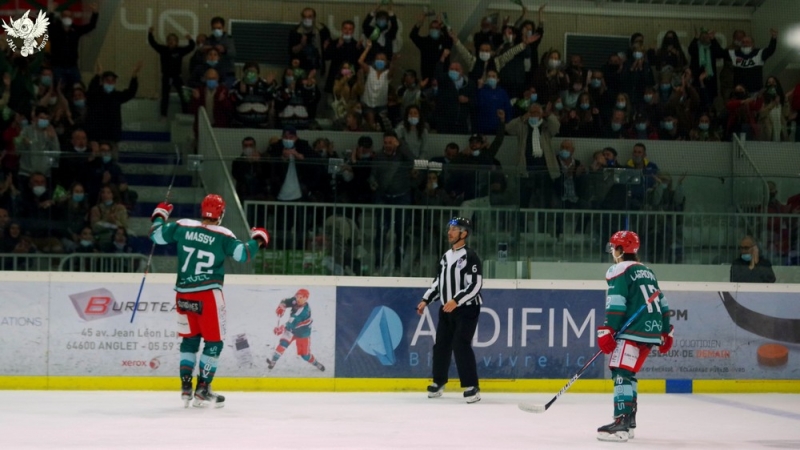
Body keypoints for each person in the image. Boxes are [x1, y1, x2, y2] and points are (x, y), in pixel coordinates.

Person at [149, 194, 270, 408]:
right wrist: (259, 238)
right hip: (208, 295)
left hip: (183, 294)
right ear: (221, 214)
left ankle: (186, 387)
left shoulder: (183, 226)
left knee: (190, 340)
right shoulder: (223, 234)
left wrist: (160, 214)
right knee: (213, 343)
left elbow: (156, 236)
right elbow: (243, 255)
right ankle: (203, 388)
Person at [596, 230, 673, 442]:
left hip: (632, 331)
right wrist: (666, 330)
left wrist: (608, 329)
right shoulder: (647, 271)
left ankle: (620, 424)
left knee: (621, 372)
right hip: (651, 332)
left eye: (614, 247)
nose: (612, 251)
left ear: (621, 250)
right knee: (629, 373)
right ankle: (629, 423)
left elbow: (617, 302)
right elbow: (662, 301)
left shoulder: (618, 269)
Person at [416, 217, 483, 404]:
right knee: (441, 345)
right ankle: (439, 382)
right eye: (449, 229)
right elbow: (439, 282)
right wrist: (425, 299)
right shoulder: (446, 256)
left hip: (467, 309)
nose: (449, 232)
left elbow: (475, 285)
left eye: (454, 229)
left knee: (460, 344)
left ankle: (472, 386)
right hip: (447, 309)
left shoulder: (471, 256)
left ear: (464, 234)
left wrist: (456, 300)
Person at [266, 288, 326, 371]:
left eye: (301, 297)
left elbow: (292, 323)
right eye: (297, 296)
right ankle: (273, 361)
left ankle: (316, 363)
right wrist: (282, 306)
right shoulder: (296, 300)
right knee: (283, 344)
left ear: (306, 298)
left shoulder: (303, 311)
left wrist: (281, 328)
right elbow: (285, 301)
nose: (298, 299)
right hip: (292, 330)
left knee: (305, 356)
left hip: (302, 334)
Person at [147, 27, 195, 118]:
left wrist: (190, 39)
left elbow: (191, 47)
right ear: (167, 42)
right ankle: (163, 115)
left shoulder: (180, 51)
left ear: (177, 42)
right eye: (169, 40)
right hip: (166, 77)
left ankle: (186, 114)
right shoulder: (163, 50)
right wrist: (150, 34)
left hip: (177, 77)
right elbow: (153, 43)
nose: (171, 42)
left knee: (184, 95)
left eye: (173, 40)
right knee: (165, 96)